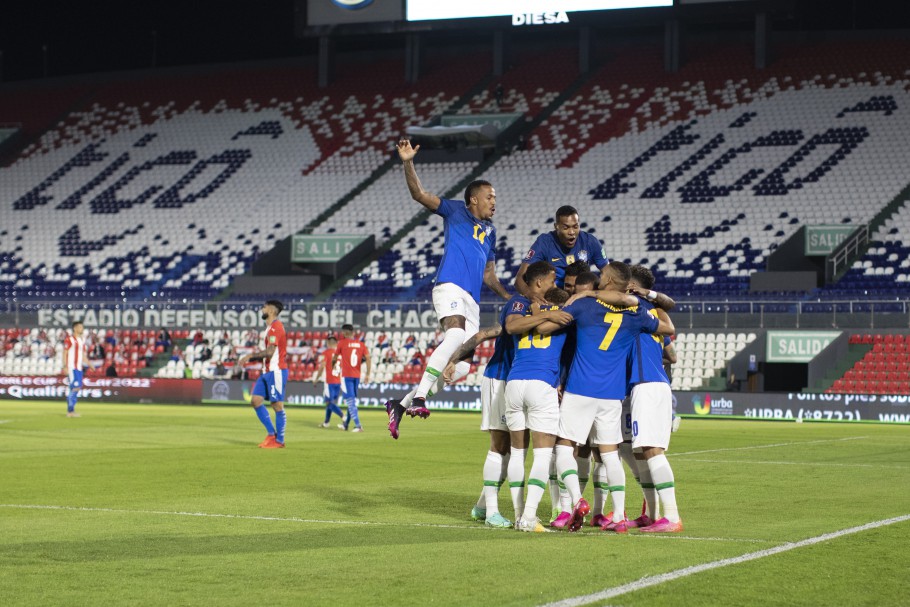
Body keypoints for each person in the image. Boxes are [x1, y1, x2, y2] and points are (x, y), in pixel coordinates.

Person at [535, 261, 672, 533]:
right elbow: (667, 330)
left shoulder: (583, 305)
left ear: (607, 280)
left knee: (564, 447)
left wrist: (546, 310)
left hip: (579, 388)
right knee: (610, 454)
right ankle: (619, 515)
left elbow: (544, 329)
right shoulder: (636, 313)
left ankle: (576, 501)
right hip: (612, 394)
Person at [435, 270, 570, 530]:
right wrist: (452, 360)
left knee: (512, 449)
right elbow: (499, 329)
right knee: (500, 446)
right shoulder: (518, 303)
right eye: (553, 281)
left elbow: (486, 333)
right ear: (540, 281)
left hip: (514, 380)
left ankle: (482, 506)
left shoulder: (531, 310)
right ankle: (492, 512)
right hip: (500, 378)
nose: (556, 284)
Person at [388, 139, 510, 425]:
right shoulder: (455, 211)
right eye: (489, 196)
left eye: (495, 197)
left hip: (473, 301)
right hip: (450, 286)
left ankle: (401, 403)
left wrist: (507, 296)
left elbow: (489, 275)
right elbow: (419, 194)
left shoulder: (490, 232)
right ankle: (420, 398)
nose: (494, 201)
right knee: (454, 337)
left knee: (464, 366)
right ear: (474, 199)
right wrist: (407, 161)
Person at [501, 262, 575, 532]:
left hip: (514, 381)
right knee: (543, 455)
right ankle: (529, 517)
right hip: (541, 383)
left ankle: (519, 513)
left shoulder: (522, 308)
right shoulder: (563, 317)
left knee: (518, 454)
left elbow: (513, 326)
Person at [624, 264, 684, 533]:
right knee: (640, 452)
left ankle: (671, 518)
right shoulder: (655, 312)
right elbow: (672, 356)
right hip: (650, 382)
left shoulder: (635, 310)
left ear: (631, 287)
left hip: (647, 384)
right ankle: (652, 514)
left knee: (651, 450)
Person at [514, 206, 609, 297]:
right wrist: (531, 295)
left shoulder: (590, 241)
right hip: (553, 298)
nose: (571, 232)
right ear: (556, 226)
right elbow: (519, 279)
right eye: (566, 228)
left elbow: (609, 274)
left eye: (575, 227)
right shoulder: (544, 242)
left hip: (583, 296)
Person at [237, 300, 288, 448]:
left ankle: (280, 441)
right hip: (266, 371)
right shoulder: (269, 328)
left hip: (276, 371)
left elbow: (271, 352)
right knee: (256, 400)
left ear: (271, 311)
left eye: (264, 307)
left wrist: (250, 356)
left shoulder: (276, 327)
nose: (262, 309)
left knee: (277, 405)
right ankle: (271, 435)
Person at [333, 324, 371, 432]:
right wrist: (368, 374)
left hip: (346, 376)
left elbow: (335, 358)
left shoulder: (341, 343)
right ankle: (346, 425)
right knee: (352, 400)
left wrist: (333, 368)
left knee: (350, 401)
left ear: (345, 332)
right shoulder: (361, 344)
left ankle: (358, 425)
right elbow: (368, 359)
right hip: (356, 376)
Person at [313, 335, 345, 428]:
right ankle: (326, 422)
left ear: (328, 343)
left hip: (329, 382)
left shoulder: (326, 353)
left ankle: (343, 416)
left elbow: (322, 366)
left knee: (329, 402)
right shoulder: (340, 354)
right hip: (338, 382)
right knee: (330, 402)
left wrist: (316, 379)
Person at [63, 320, 86, 417]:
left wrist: (90, 364)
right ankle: (70, 411)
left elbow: (83, 355)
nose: (82, 329)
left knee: (77, 388)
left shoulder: (81, 340)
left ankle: (71, 410)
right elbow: (65, 353)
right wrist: (65, 366)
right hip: (72, 367)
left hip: (79, 368)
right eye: (80, 327)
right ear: (75, 328)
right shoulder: (69, 339)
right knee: (74, 387)